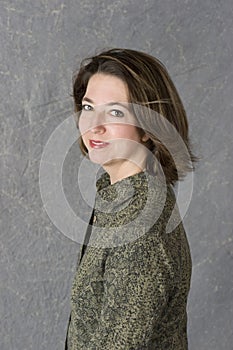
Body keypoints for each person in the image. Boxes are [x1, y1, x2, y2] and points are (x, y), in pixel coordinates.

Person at [65, 48, 197, 350]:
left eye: (115, 112)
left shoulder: (139, 231)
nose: (94, 125)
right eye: (88, 107)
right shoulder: (122, 199)